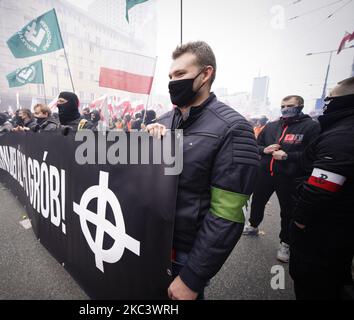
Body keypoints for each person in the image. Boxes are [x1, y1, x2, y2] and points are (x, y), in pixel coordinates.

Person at [146, 41, 259, 300]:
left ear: (206, 74)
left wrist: (192, 277)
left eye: (181, 75)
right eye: (171, 76)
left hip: (186, 256)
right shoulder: (162, 121)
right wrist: (144, 143)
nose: (173, 82)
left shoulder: (233, 128)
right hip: (151, 241)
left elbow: (227, 214)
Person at [289, 77, 354, 300]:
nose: (326, 103)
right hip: (339, 229)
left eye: (330, 98)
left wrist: (299, 220)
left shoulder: (342, 135)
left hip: (323, 231)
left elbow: (320, 188)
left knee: (314, 283)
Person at [243, 95, 320, 263]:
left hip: (290, 177)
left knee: (288, 211)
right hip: (265, 173)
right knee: (257, 201)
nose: (286, 108)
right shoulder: (271, 126)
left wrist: (288, 156)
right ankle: (253, 225)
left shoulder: (310, 127)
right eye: (283, 105)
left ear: (300, 106)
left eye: (290, 105)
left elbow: (313, 154)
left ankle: (286, 242)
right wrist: (265, 150)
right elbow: (256, 145)